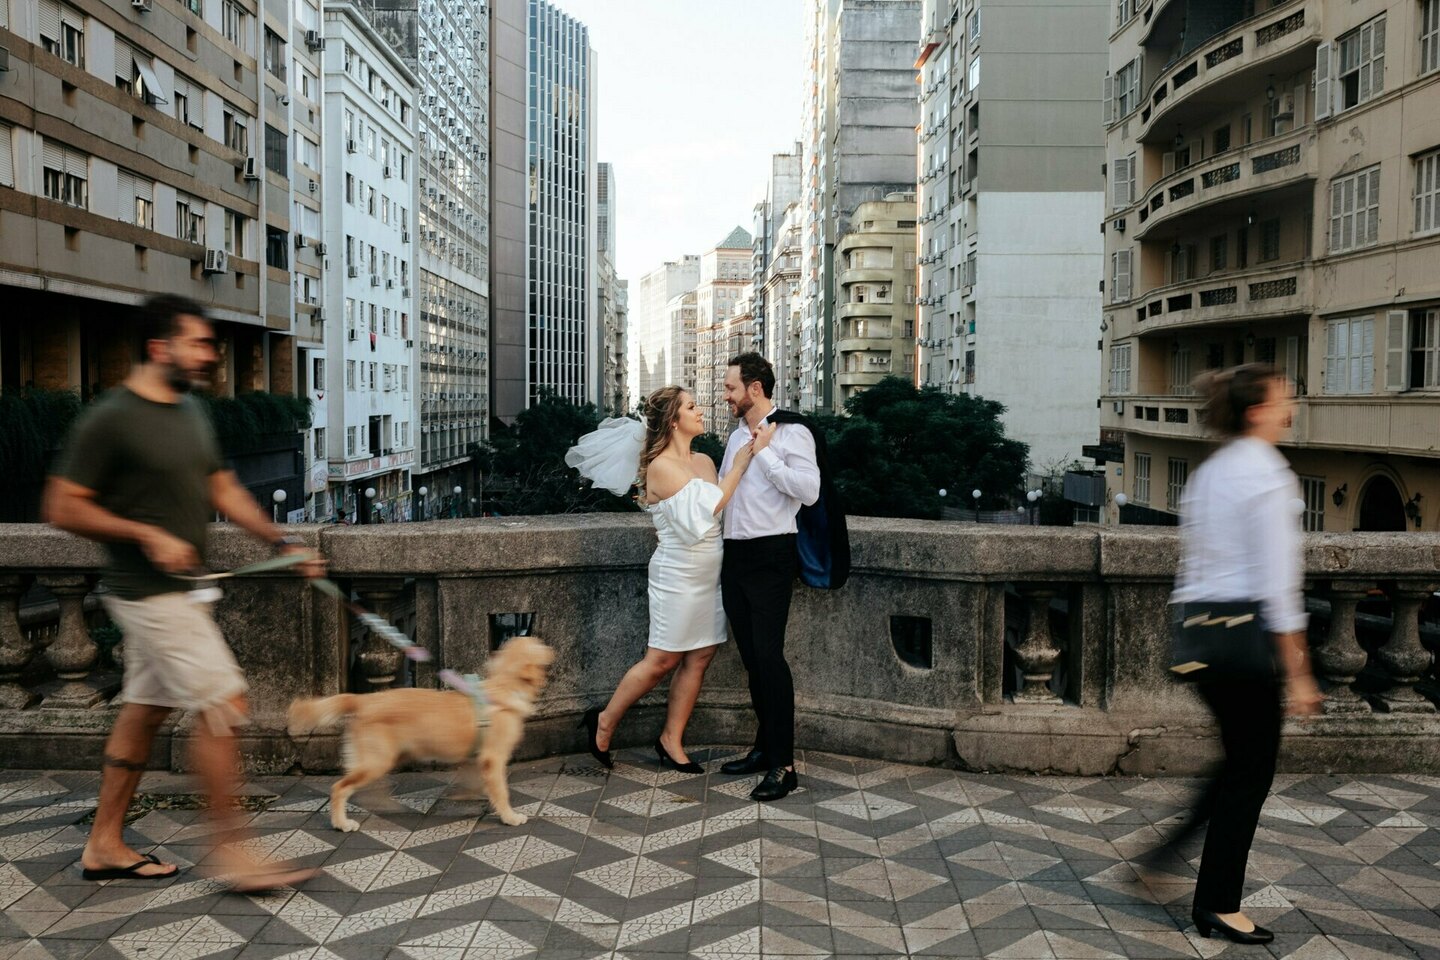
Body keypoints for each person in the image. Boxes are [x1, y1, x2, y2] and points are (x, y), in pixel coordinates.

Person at [44, 294, 325, 892]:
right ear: (158, 347)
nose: (209, 355)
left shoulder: (192, 412)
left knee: (143, 715)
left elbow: (222, 490)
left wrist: (282, 542)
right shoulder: (110, 418)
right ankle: (231, 854)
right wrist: (144, 532)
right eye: (197, 343)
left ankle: (103, 844)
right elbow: (62, 505)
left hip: (182, 592)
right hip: (148, 594)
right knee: (225, 703)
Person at [1167, 363, 1322, 944]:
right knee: (1250, 771)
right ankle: (1218, 904)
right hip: (1245, 640)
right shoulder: (1267, 472)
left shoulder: (1213, 469)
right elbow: (1279, 585)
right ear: (1257, 411)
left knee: (1237, 761)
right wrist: (1300, 673)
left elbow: (1195, 562)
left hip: (1201, 636)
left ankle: (1165, 857)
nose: (1292, 408)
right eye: (1285, 399)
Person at [566, 387, 754, 771]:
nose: (700, 411)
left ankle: (671, 739)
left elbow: (720, 508)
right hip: (678, 573)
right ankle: (603, 722)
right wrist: (741, 462)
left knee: (700, 655)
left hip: (710, 572)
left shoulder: (703, 459)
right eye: (691, 406)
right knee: (662, 659)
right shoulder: (660, 466)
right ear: (673, 421)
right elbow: (711, 506)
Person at [716, 353, 820, 802]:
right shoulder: (736, 435)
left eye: (731, 388)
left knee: (770, 658)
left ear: (755, 388)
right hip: (734, 555)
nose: (726, 396)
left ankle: (784, 765)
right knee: (753, 661)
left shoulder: (792, 432)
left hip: (771, 553)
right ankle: (763, 747)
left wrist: (766, 456)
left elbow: (810, 491)